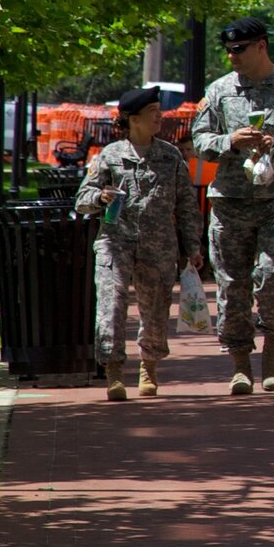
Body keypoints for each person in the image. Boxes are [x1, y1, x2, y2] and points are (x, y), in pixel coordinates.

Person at [187, 15, 274, 395]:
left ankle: (272, 349)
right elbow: (199, 141)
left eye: (238, 49)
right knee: (231, 284)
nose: (232, 57)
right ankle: (240, 363)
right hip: (231, 202)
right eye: (227, 50)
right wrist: (230, 141)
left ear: (261, 45)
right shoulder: (221, 91)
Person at [73, 87, 201, 400]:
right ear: (133, 119)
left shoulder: (170, 156)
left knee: (156, 311)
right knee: (111, 307)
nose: (160, 116)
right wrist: (100, 197)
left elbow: (186, 205)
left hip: (159, 246)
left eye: (159, 109)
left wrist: (193, 248)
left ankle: (149, 366)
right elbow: (81, 200)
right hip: (115, 244)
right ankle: (114, 371)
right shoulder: (110, 155)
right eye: (153, 111)